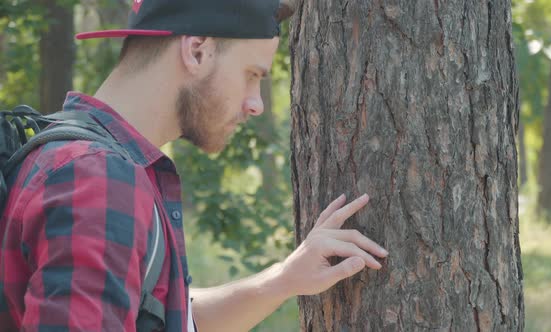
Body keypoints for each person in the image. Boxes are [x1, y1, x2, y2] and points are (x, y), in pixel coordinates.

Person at [0, 0, 388, 331]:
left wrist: (284, 280)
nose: (256, 104)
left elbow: (154, 314)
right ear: (197, 51)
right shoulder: (98, 179)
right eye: (251, 75)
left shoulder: (71, 153)